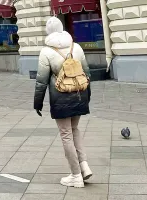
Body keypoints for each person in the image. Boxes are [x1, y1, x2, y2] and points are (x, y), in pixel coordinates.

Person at [34, 17, 92, 188]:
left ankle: (75, 176)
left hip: (60, 97)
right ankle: (84, 166)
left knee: (66, 134)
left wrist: (37, 103)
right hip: (80, 94)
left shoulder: (46, 51)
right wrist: (87, 96)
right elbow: (87, 73)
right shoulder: (77, 47)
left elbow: (41, 81)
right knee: (74, 130)